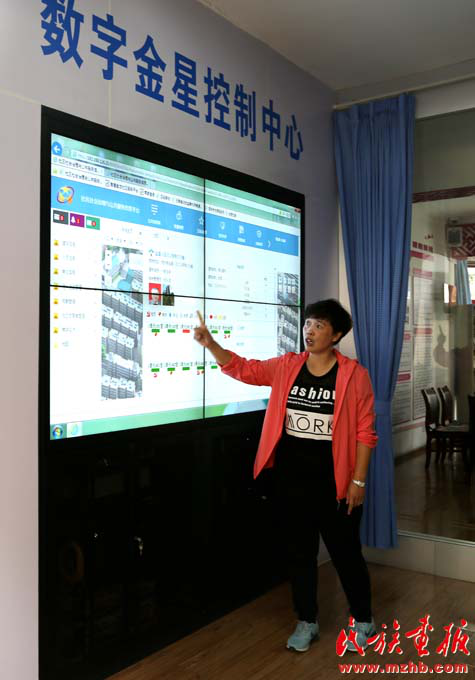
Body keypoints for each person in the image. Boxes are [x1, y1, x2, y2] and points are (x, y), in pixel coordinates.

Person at [194, 300, 378, 653]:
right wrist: (211, 344)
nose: (310, 330)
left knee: (346, 554)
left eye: (319, 325)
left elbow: (365, 432)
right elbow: (245, 369)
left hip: (336, 482)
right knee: (299, 554)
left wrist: (358, 481)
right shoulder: (288, 366)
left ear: (336, 335)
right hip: (293, 480)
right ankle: (306, 620)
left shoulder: (354, 375)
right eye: (308, 323)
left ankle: (363, 620)